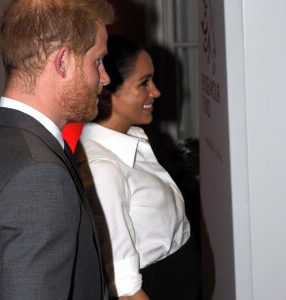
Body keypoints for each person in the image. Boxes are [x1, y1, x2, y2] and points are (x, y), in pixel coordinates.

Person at [0, 0, 114, 299]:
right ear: (63, 62)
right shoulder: (38, 176)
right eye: (97, 61)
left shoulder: (2, 141)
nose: (105, 77)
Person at [75, 36, 201, 300]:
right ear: (108, 94)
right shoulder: (102, 169)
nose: (156, 91)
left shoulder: (133, 138)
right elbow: (126, 291)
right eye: (144, 83)